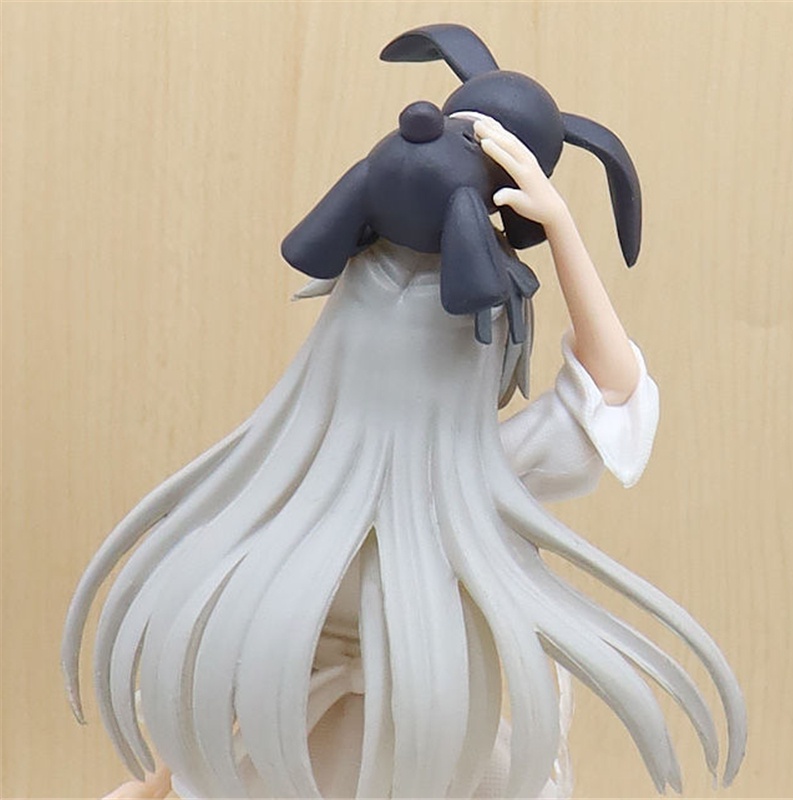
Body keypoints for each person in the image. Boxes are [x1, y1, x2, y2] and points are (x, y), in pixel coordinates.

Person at [66, 113, 743, 800]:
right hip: (299, 750)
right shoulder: (288, 484)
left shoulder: (475, 482)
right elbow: (209, 652)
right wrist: (165, 778)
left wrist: (564, 231)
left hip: (431, 755)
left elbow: (613, 394)